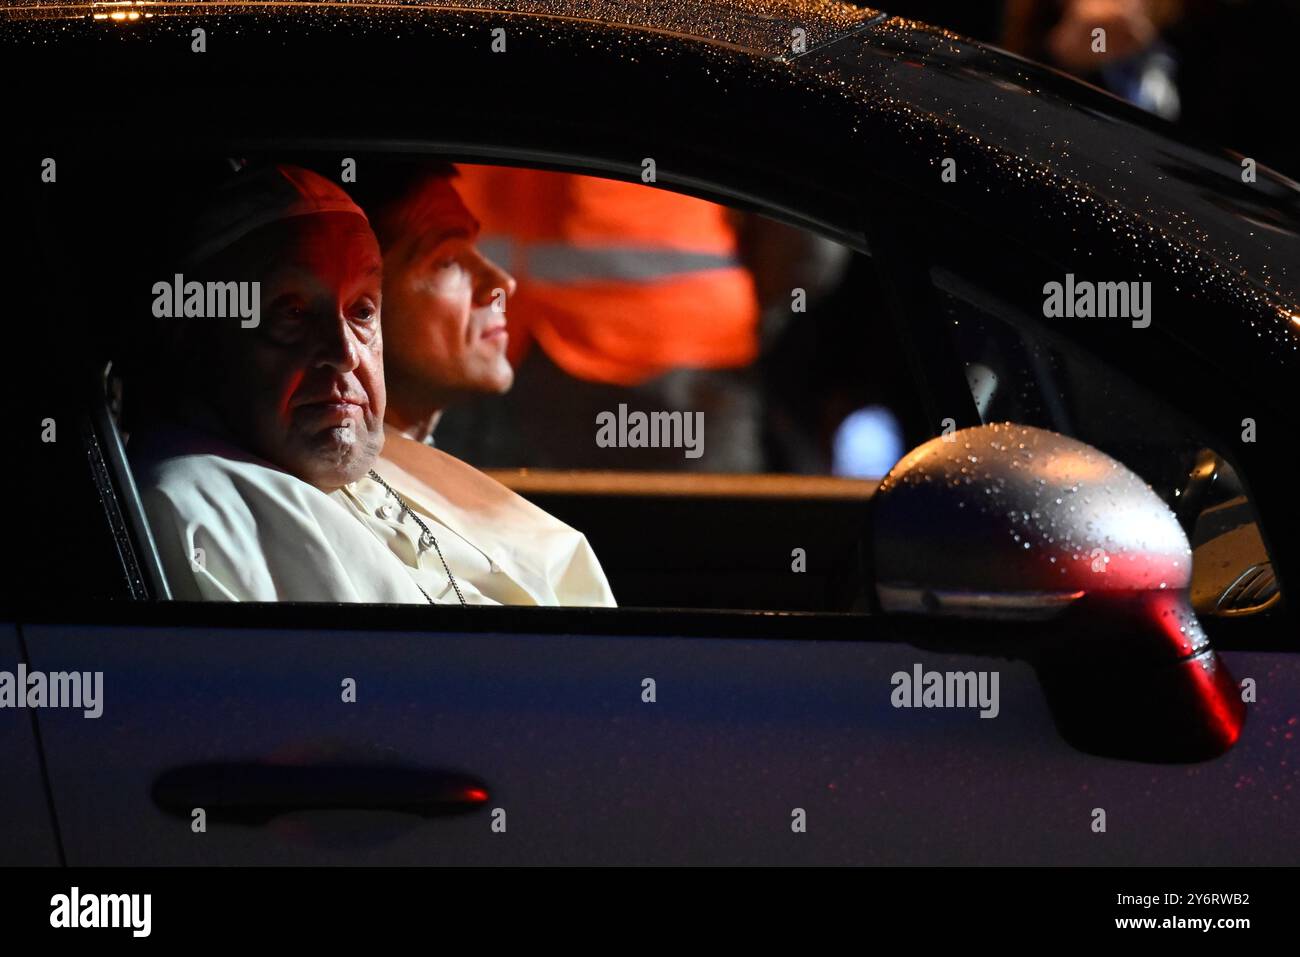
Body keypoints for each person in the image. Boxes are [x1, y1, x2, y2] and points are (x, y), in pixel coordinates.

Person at [131, 164, 615, 607]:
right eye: (293, 313)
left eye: (362, 310)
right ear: (197, 342)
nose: (344, 353)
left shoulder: (370, 466)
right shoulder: (197, 513)